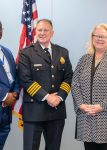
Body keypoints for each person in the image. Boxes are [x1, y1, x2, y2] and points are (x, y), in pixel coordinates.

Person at [18, 19, 73, 150]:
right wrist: (48, 97)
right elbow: (25, 80)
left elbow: (68, 77)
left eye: (46, 30)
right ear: (35, 32)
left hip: (56, 110)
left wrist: (59, 97)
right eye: (39, 30)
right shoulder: (26, 53)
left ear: (52, 33)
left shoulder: (62, 52)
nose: (42, 33)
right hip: (34, 111)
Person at [0, 21, 19, 150]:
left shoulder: (7, 52)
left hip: (5, 114)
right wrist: (4, 96)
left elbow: (16, 76)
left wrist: (15, 94)